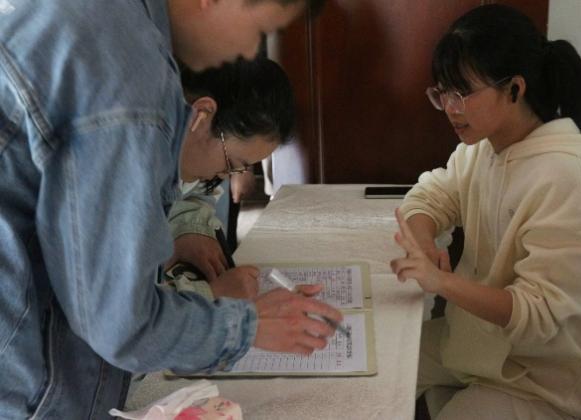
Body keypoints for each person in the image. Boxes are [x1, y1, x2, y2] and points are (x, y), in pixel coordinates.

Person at [0, 0, 341, 418]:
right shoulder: (123, 68)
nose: (249, 53)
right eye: (259, 30)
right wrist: (248, 325)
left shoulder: (112, 26)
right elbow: (122, 323)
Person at [390, 5, 581, 420]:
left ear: (514, 89)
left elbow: (536, 313)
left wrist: (443, 282)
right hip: (480, 343)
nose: (450, 108)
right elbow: (432, 195)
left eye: (462, 94)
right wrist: (422, 243)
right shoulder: (484, 148)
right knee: (384, 362)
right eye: (443, 93)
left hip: (547, 378)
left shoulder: (567, 179)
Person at [167, 56, 295, 299]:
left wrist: (188, 230)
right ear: (201, 115)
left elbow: (197, 192)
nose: (225, 177)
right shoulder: (125, 167)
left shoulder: (189, 149)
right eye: (231, 164)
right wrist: (210, 294)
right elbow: (119, 305)